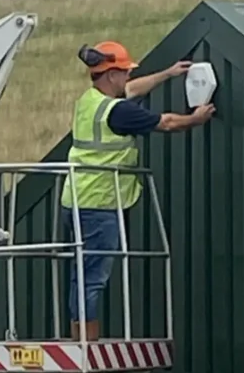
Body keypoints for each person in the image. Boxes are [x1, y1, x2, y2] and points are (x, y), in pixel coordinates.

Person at [59, 40, 215, 341]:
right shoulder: (118, 113)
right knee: (93, 278)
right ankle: (85, 345)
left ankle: (79, 336)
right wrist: (196, 119)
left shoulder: (90, 102)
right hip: (100, 203)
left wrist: (168, 73)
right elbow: (167, 123)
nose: (128, 77)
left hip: (76, 198)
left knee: (81, 273)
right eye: (125, 72)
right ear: (111, 74)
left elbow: (133, 90)